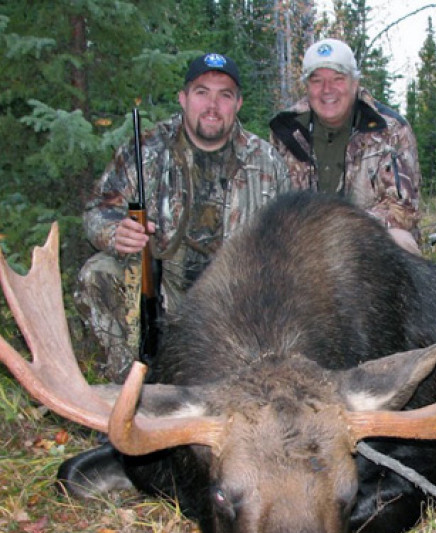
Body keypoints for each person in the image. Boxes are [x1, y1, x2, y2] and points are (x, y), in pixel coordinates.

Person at [77, 53, 290, 382]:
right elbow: (98, 209)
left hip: (236, 301)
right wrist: (114, 231)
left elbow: (288, 242)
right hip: (166, 290)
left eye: (224, 95)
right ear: (183, 98)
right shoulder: (146, 150)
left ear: (238, 104)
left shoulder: (267, 161)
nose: (212, 105)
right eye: (202, 92)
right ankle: (128, 386)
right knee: (99, 273)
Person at [268, 38, 422, 254]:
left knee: (401, 240)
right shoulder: (286, 130)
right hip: (301, 246)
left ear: (355, 83)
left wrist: (337, 228)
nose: (327, 89)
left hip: (367, 241)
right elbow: (271, 204)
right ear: (307, 86)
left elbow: (403, 210)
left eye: (338, 79)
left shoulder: (390, 129)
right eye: (317, 81)